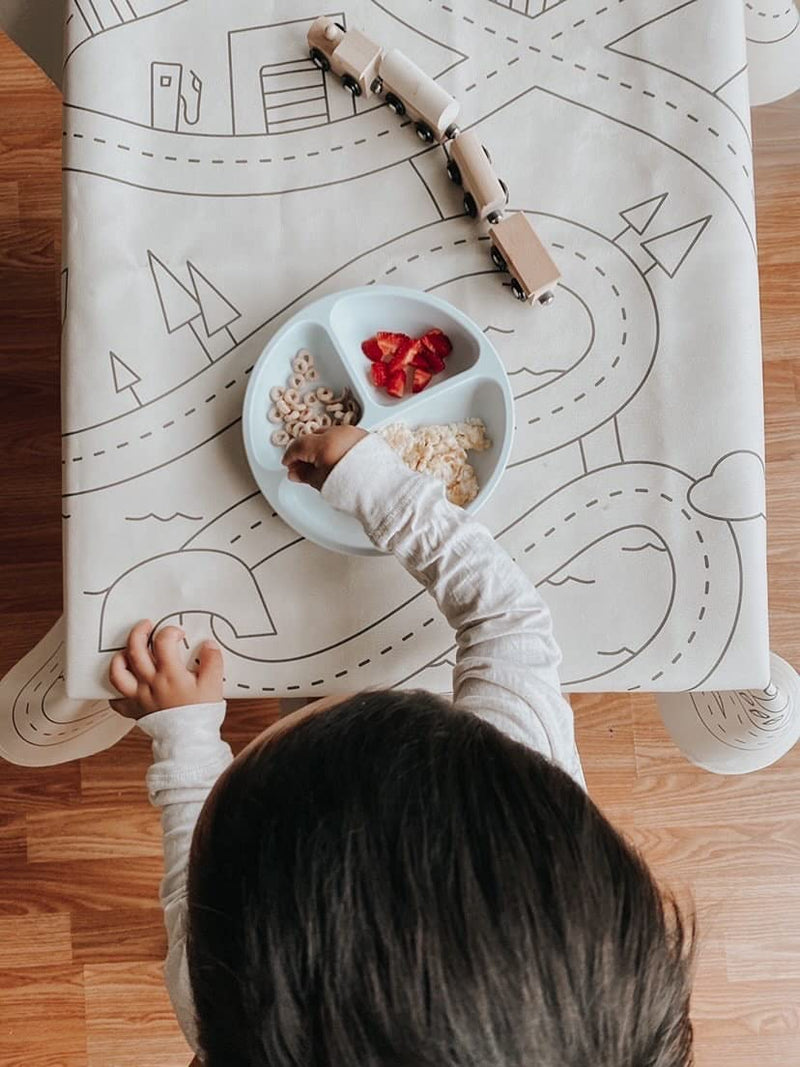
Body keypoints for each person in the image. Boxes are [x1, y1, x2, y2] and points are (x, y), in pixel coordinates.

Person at [110, 426, 695, 1067]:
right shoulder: (526, 802)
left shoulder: (217, 995)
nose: (345, 700)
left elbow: (191, 895)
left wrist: (185, 738)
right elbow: (503, 618)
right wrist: (383, 486)